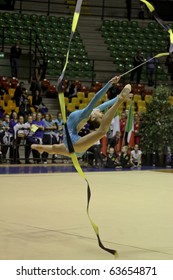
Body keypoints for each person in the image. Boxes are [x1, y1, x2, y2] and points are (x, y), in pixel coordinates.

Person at [32, 76, 132, 158]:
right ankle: (41, 147)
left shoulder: (86, 113)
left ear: (92, 117)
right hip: (72, 145)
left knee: (102, 131)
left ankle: (120, 101)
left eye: (101, 116)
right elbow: (104, 103)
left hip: (74, 143)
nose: (102, 113)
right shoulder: (88, 113)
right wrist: (117, 95)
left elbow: (96, 97)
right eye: (102, 115)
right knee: (54, 148)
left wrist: (110, 83)